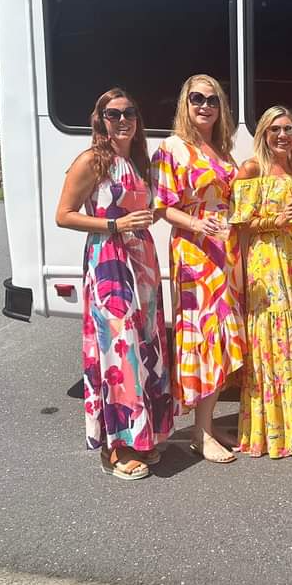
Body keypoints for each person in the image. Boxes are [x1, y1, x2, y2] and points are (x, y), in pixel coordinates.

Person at [55, 88, 173, 481]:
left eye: (130, 113)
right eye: (113, 113)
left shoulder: (137, 161)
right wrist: (114, 224)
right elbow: (64, 215)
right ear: (100, 120)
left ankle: (142, 436)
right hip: (108, 261)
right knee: (116, 350)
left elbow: (144, 210)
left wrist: (146, 217)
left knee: (144, 346)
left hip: (142, 261)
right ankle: (114, 445)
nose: (123, 120)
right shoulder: (92, 161)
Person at [231, 105, 292, 461]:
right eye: (275, 129)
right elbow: (240, 221)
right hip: (270, 262)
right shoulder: (252, 168)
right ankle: (276, 431)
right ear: (263, 133)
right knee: (275, 340)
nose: (283, 136)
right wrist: (276, 218)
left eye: (289, 129)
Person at [152, 74, 244, 464]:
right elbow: (161, 207)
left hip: (225, 252)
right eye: (196, 99)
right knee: (204, 337)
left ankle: (205, 423)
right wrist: (196, 224)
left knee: (223, 338)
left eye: (212, 99)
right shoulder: (172, 148)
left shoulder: (221, 149)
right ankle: (201, 433)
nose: (204, 105)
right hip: (194, 253)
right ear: (184, 104)